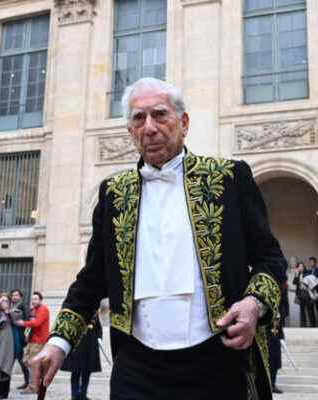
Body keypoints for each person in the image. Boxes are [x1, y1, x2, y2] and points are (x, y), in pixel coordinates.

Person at [27, 77, 285, 400]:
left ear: (184, 122)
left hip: (216, 362)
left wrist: (253, 304)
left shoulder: (230, 178)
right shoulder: (113, 194)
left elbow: (270, 259)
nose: (149, 127)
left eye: (159, 115)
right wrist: (58, 343)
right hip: (136, 367)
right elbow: (92, 281)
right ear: (130, 132)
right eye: (138, 118)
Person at [61, 313, 102, 400]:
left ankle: (83, 394)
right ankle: (74, 395)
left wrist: (99, 338)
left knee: (87, 371)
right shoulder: (75, 310)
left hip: (90, 343)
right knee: (75, 371)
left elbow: (98, 326)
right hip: (77, 343)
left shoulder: (94, 311)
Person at [19, 291, 49, 393]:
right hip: (32, 340)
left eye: (35, 299)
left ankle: (33, 387)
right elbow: (31, 324)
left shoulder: (43, 309)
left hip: (39, 341)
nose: (33, 301)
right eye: (32, 299)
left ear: (40, 300)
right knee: (25, 361)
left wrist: (22, 323)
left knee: (33, 363)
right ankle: (39, 380)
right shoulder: (33, 310)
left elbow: (36, 323)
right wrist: (27, 334)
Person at [7, 289, 31, 390]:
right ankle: (5, 383)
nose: (14, 297)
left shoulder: (23, 306)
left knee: (21, 361)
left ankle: (27, 382)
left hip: (19, 337)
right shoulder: (10, 306)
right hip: (11, 336)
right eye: (13, 295)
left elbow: (28, 322)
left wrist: (26, 335)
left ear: (20, 296)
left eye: (16, 295)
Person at [293, 262, 318, 327]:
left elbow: (312, 282)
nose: (300, 268)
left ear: (304, 267)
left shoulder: (307, 273)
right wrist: (296, 275)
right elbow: (294, 282)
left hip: (308, 293)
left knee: (310, 309)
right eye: (299, 266)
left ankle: (313, 324)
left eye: (302, 266)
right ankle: (303, 324)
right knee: (302, 310)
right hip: (300, 294)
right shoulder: (297, 274)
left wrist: (305, 285)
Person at [306, 257, 318, 327]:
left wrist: (312, 283)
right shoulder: (308, 271)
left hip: (316, 291)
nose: (311, 263)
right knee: (310, 308)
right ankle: (312, 324)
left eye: (312, 262)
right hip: (310, 292)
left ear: (315, 263)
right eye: (310, 262)